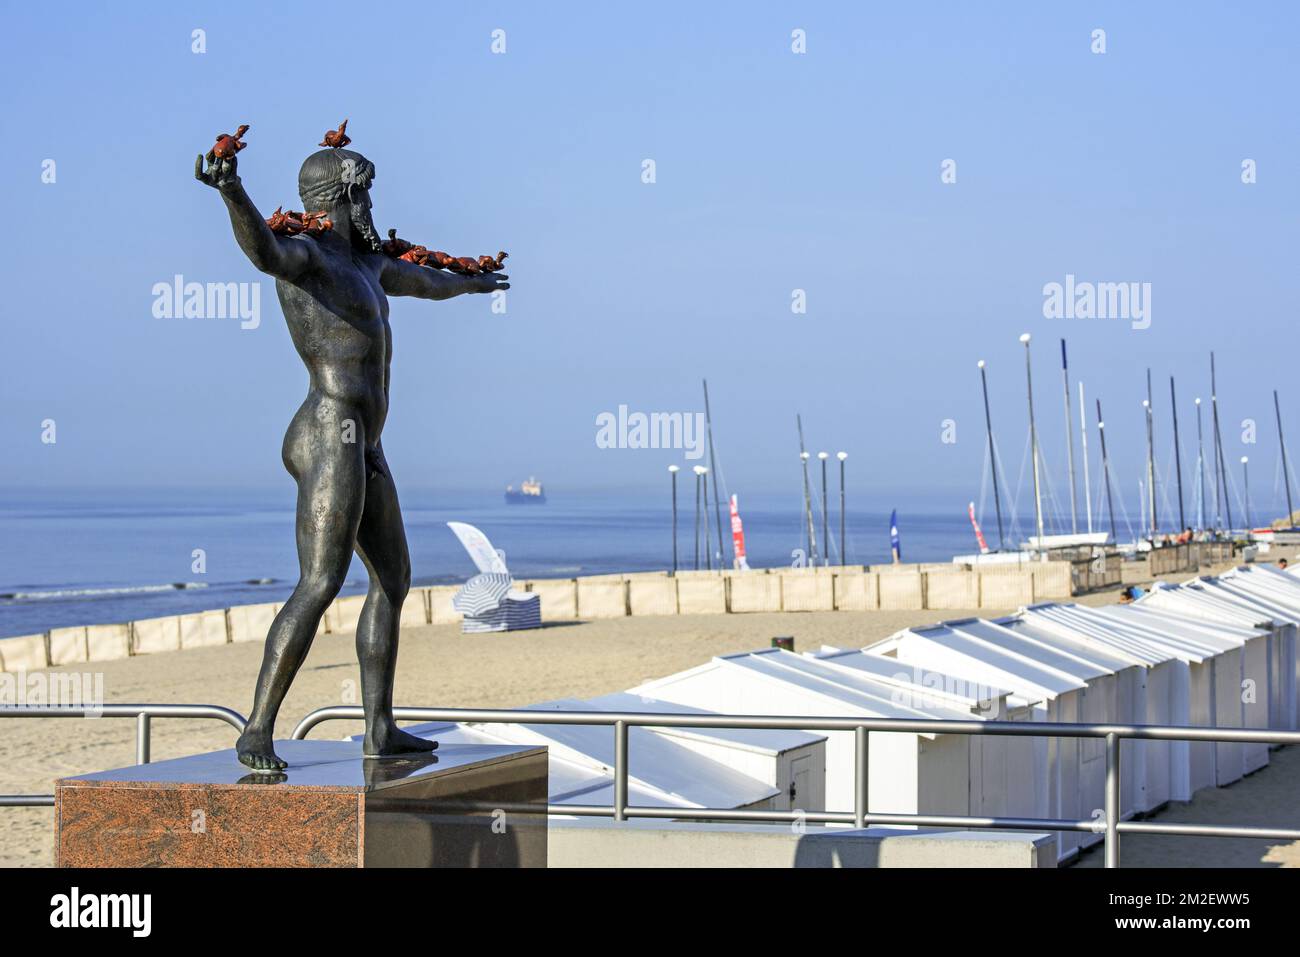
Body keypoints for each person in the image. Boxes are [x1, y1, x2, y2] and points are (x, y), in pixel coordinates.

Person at [196, 139, 508, 771]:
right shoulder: (308, 257)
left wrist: (473, 285)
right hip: (328, 427)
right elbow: (264, 251)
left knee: (393, 580)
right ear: (345, 195)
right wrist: (232, 190)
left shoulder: (366, 264)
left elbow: (426, 280)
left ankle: (380, 728)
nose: (373, 202)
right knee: (320, 582)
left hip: (366, 439)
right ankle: (257, 728)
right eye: (366, 189)